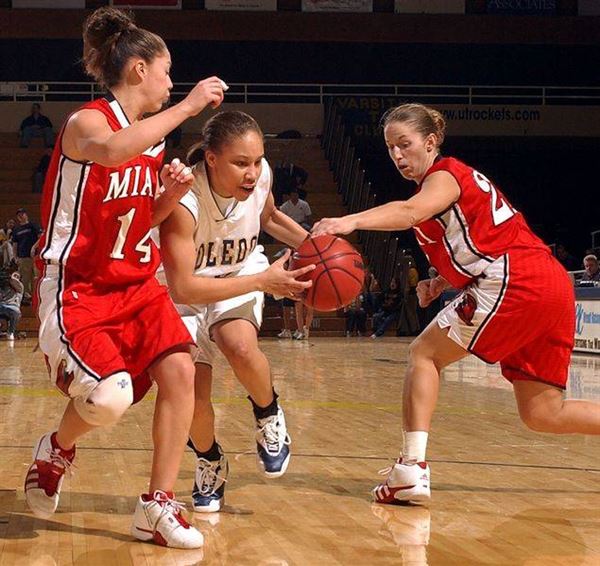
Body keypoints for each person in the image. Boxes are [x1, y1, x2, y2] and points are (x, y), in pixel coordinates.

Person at [313, 102, 600, 505]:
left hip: (519, 278)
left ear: (430, 142)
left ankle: (410, 469)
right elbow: (478, 239)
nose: (397, 155)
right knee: (542, 413)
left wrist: (350, 221)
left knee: (423, 355)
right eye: (390, 147)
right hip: (548, 284)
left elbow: (410, 212)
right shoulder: (441, 188)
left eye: (405, 144)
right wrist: (439, 282)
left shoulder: (445, 174)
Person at [25, 6, 228, 548]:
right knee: (111, 401)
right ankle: (57, 448)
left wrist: (171, 197)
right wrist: (189, 107)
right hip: (79, 287)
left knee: (181, 373)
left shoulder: (153, 141)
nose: (171, 82)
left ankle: (156, 507)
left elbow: (140, 221)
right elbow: (112, 152)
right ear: (138, 69)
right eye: (166, 72)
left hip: (136, 284)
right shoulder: (88, 122)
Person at [159, 111, 313, 513]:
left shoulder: (262, 180)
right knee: (192, 391)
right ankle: (209, 459)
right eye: (241, 162)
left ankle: (268, 413)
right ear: (211, 159)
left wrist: (322, 250)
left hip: (240, 271)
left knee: (238, 344)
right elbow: (184, 287)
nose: (253, 171)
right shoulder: (185, 201)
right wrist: (264, 282)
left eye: (258, 160)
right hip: (184, 291)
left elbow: (269, 218)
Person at [11, 208, 42, 302]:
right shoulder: (16, 230)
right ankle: (27, 298)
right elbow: (15, 245)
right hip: (23, 257)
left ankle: (38, 297)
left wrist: (34, 247)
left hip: (35, 256)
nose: (21, 216)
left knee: (37, 277)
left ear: (26, 215)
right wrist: (15, 256)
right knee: (25, 279)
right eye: (18, 215)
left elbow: (41, 237)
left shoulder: (33, 225)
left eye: (22, 214)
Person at [0, 270, 23, 341]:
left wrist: (11, 277)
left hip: (12, 307)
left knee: (16, 312)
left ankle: (10, 332)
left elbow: (14, 281)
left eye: (17, 276)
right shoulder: (4, 285)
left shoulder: (20, 287)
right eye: (14, 275)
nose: (15, 277)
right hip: (2, 305)